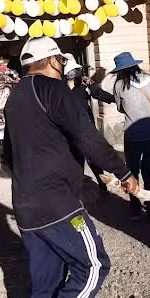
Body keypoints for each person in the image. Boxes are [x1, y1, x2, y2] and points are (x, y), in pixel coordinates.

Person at [2, 37, 139, 298]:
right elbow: (86, 136)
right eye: (61, 62)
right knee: (94, 265)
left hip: (26, 203)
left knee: (46, 278)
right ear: (52, 61)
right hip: (58, 203)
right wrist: (123, 172)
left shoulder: (15, 96)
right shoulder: (53, 89)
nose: (63, 68)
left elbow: (9, 153)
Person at [90, 52, 150, 221]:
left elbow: (120, 108)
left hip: (133, 135)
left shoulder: (120, 85)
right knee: (149, 172)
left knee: (132, 172)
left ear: (121, 71)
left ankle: (135, 209)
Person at [63, 53, 109, 194]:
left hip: (86, 129)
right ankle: (76, 189)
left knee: (93, 160)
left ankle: (102, 185)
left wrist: (116, 100)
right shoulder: (60, 88)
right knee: (76, 161)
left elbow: (98, 94)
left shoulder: (84, 84)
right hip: (70, 131)